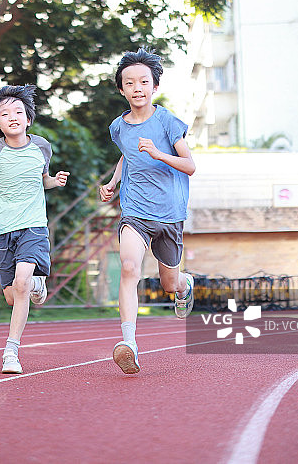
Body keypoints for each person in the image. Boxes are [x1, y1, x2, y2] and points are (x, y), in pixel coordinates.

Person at [99, 47, 196, 374]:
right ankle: (130, 343)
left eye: (144, 81)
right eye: (129, 82)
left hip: (169, 214)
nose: (137, 87)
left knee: (169, 283)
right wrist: (113, 183)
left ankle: (185, 285)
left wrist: (158, 153)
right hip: (134, 212)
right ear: (121, 89)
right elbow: (127, 155)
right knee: (129, 268)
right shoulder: (119, 127)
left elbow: (190, 165)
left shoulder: (167, 121)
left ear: (155, 86)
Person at [0, 84, 69, 374]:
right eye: (5, 113)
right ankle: (37, 283)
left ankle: (11, 351)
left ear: (28, 119)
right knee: (12, 295)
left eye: (19, 112)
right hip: (1, 229)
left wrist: (54, 181)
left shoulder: (42, 147)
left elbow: (42, 179)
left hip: (33, 226)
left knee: (21, 284)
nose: (13, 117)